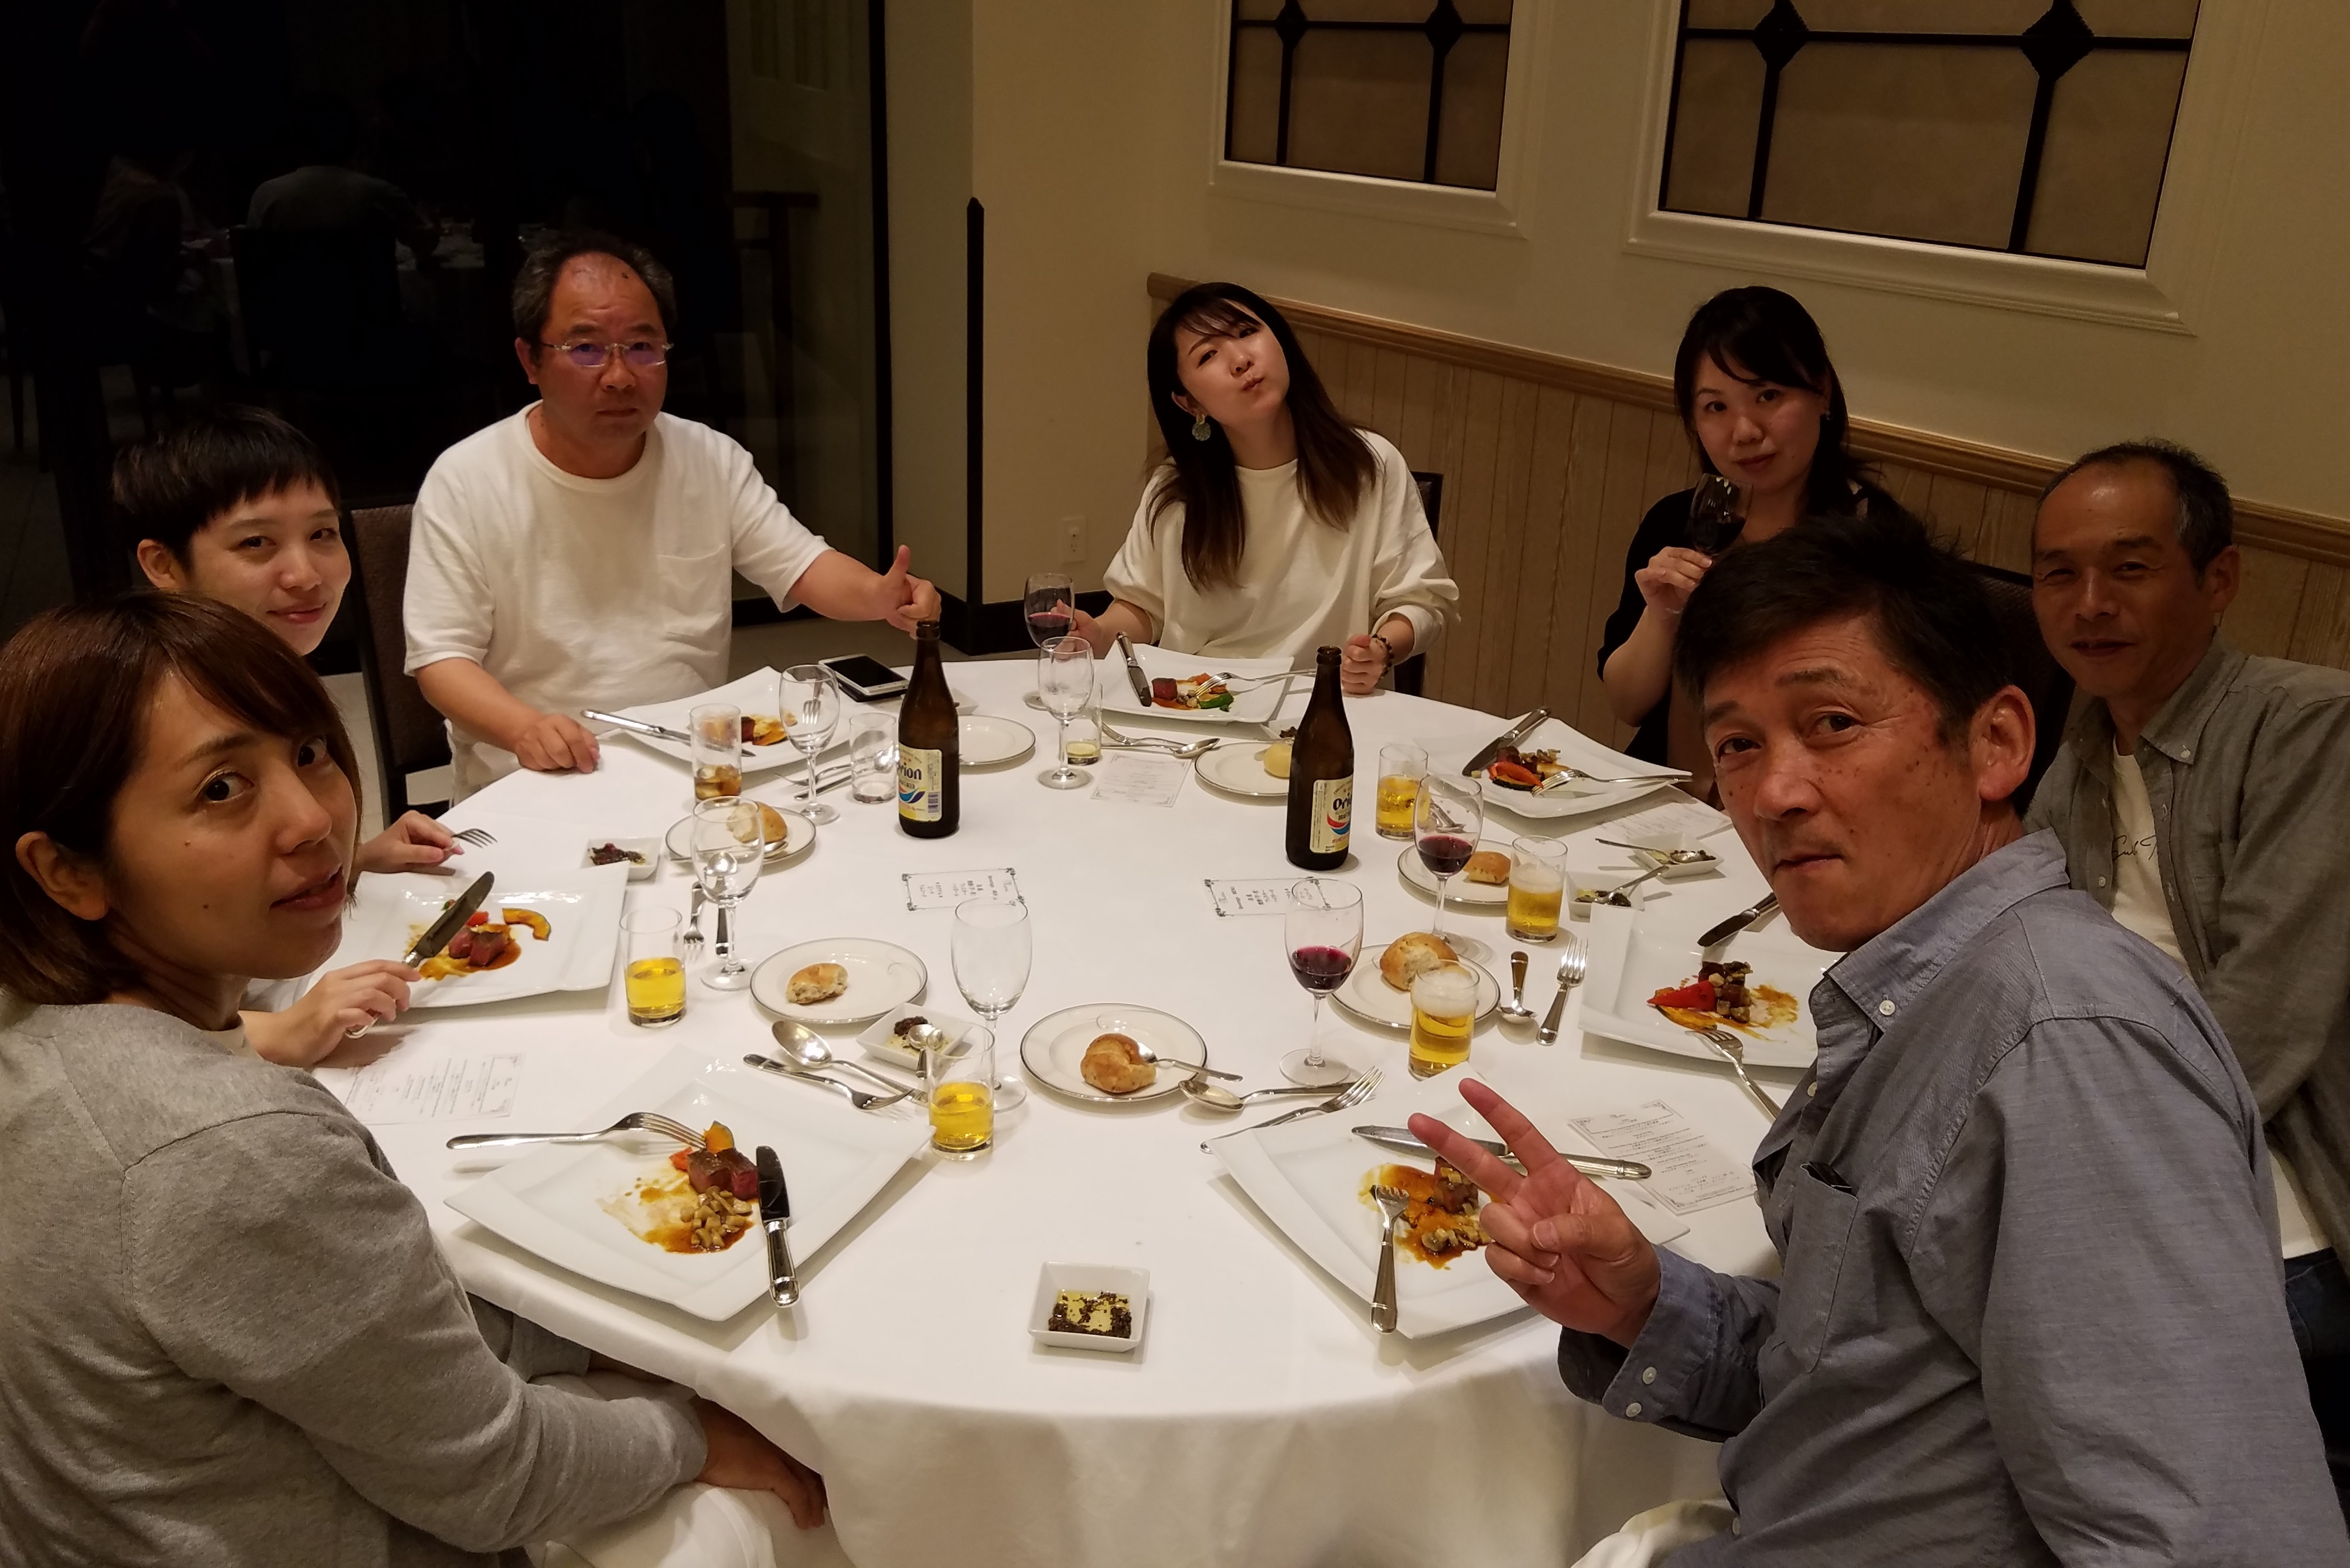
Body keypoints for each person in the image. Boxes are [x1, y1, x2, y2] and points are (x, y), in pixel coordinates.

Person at [1413, 512, 2346, 1563]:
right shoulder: (1932, 987)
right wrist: (1644, 1302)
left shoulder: (2067, 1047)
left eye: (1833, 723)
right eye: (1737, 745)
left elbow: (2221, 1543)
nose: (1774, 794)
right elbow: (1861, 1383)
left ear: (1996, 744)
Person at [0, 593, 827, 1566]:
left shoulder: (47, 1042)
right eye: (221, 789)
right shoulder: (229, 1152)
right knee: (805, 1497)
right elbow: (498, 1481)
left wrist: (584, 1348)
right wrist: (691, 1436)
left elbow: (355, 1328)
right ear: (68, 872)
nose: (313, 819)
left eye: (311, 751)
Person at [2023, 439, 2350, 1505]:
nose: (2088, 603)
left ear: (2217, 581)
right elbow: (2021, 947)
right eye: (2058, 574)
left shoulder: (2310, 728)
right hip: (2123, 1138)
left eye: (2129, 567)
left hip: (2290, 1187)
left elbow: (2265, 1019)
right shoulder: (2080, 752)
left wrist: (2085, 1173)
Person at [404, 230, 940, 796]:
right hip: (536, 778)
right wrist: (525, 729)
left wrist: (878, 596)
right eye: (586, 349)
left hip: (691, 770)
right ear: (529, 360)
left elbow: (801, 565)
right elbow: (441, 659)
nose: (619, 376)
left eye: (642, 346)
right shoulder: (467, 479)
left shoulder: (708, 458)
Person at [118, 404, 456, 1062]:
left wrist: (357, 856)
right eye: (256, 544)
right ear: (163, 564)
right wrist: (278, 1032)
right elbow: (72, 991)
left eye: (323, 534)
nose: (306, 574)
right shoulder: (139, 710)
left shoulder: (267, 676)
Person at [1073, 281, 1456, 695]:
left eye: (1246, 332)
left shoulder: (1368, 465)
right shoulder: (1177, 488)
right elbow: (1144, 606)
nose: (1241, 360)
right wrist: (1099, 634)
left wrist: (1381, 649)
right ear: (1189, 403)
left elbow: (1422, 601)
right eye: (1208, 355)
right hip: (1197, 702)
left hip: (1323, 704)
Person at [1597, 287, 1889, 795]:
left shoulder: (1871, 538)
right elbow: (1627, 705)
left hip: (1801, 800)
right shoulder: (1675, 523)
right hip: (1667, 802)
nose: (1745, 431)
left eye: (1767, 396)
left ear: (1821, 392)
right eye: (1715, 407)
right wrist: (1662, 616)